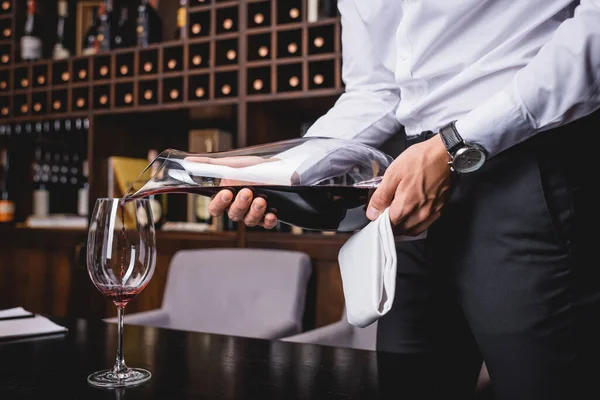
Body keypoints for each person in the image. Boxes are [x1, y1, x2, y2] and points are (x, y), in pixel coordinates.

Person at [208, 1, 600, 399]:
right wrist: (280, 169)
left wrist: (456, 144)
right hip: (411, 192)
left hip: (527, 167)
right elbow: (375, 91)